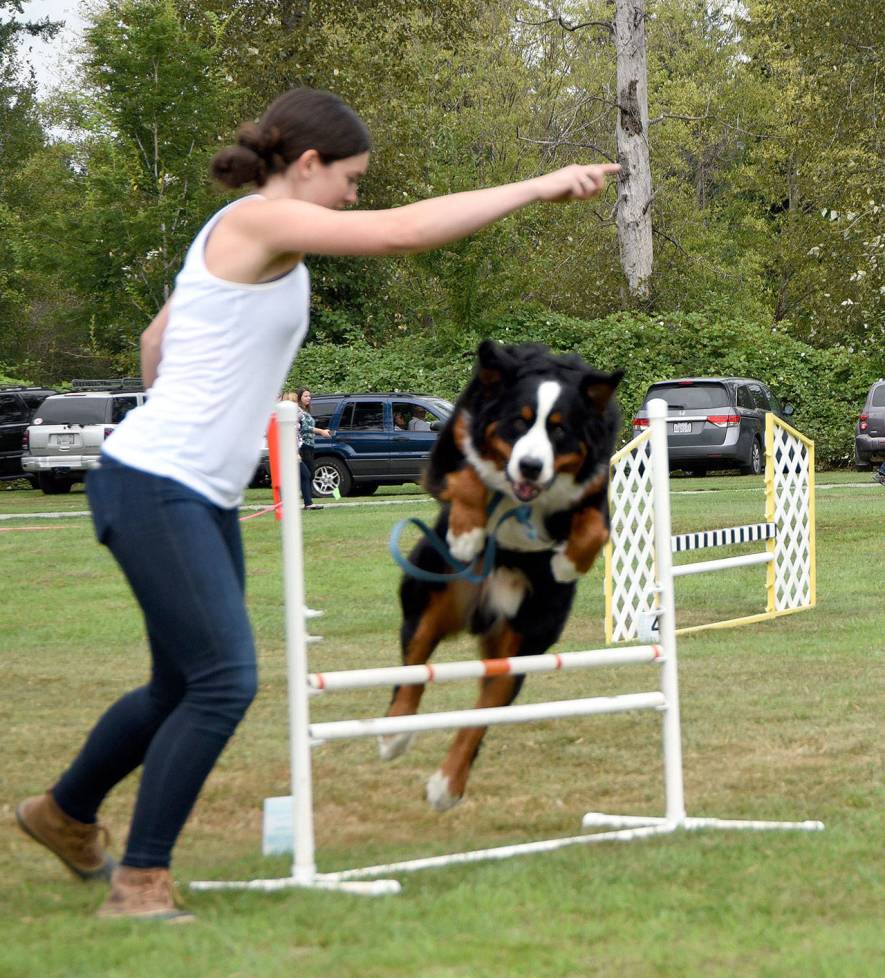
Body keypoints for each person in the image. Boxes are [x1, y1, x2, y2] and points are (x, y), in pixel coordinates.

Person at [15, 86, 618, 922]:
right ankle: (141, 880)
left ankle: (63, 813)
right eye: (351, 179)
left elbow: (157, 342)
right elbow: (404, 231)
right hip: (157, 483)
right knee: (224, 680)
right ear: (307, 164)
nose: (353, 197)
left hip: (188, 487)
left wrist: (199, 421)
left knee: (176, 684)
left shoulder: (242, 240)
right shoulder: (259, 222)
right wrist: (536, 186)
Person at [294, 387, 332, 510]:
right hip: (302, 446)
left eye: (309, 396)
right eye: (305, 396)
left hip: (310, 445)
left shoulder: (306, 411)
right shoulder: (297, 411)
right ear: (299, 397)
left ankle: (308, 501)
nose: (308, 398)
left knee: (309, 474)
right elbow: (304, 428)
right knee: (305, 474)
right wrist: (321, 431)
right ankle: (307, 502)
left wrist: (324, 431)